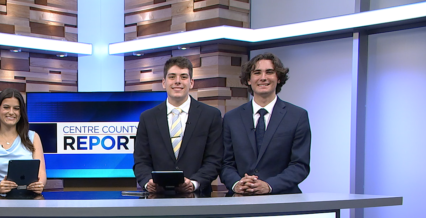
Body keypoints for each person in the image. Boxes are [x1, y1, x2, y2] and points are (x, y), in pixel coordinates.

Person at [221, 53, 311, 195]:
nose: (263, 77)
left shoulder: (298, 116)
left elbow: (300, 165)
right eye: (257, 73)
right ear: (249, 80)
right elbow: (226, 164)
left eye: (269, 72)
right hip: (240, 200)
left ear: (279, 78)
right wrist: (237, 183)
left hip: (283, 199)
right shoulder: (231, 118)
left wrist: (269, 186)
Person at [133, 56, 223, 196]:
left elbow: (214, 159)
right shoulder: (147, 118)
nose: (177, 81)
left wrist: (194, 183)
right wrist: (147, 181)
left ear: (191, 82)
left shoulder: (210, 115)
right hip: (157, 199)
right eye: (172, 76)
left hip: (198, 199)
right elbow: (141, 160)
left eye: (183, 76)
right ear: (164, 82)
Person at [0, 88, 46, 194]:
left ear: (21, 112)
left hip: (29, 200)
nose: (11, 112)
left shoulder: (33, 137)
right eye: (6, 107)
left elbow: (42, 174)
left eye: (16, 108)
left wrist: (39, 185)